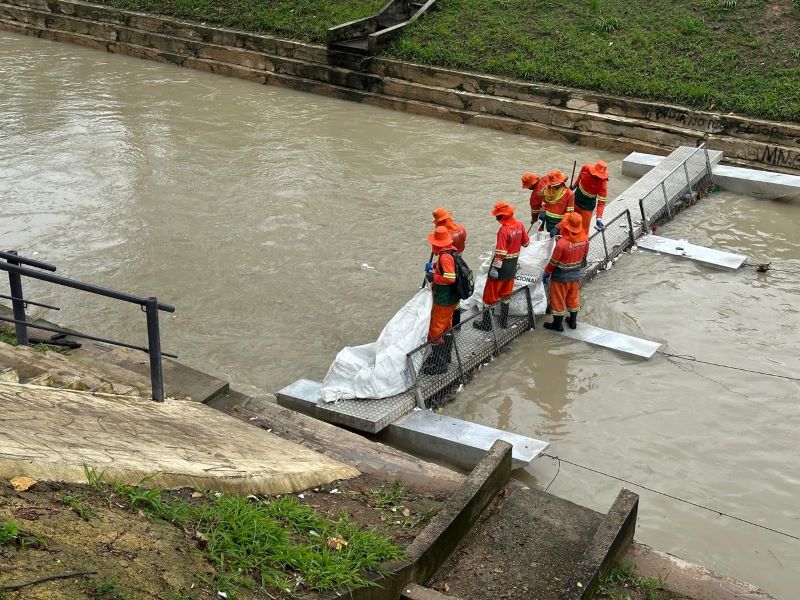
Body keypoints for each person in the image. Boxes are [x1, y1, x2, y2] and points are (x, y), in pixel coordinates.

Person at [473, 201, 530, 331]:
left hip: (501, 268)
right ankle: (503, 322)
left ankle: (487, 325)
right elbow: (526, 243)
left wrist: (494, 268)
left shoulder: (504, 230)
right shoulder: (520, 225)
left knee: (489, 297)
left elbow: (500, 253)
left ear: (503, 216)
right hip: (512, 268)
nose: (496, 219)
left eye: (498, 216)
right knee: (506, 295)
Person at [542, 212, 589, 332]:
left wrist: (546, 272)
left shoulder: (561, 244)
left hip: (560, 277)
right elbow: (584, 256)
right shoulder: (584, 239)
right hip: (575, 276)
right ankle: (572, 322)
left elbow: (553, 262)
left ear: (567, 226)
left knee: (557, 300)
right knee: (573, 299)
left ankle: (557, 325)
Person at [422, 226, 459, 374]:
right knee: (446, 328)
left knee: (435, 331)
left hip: (444, 300)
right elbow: (446, 268)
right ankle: (445, 357)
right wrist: (434, 266)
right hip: (451, 299)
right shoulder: (450, 253)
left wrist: (433, 277)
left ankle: (440, 365)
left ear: (437, 244)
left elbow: (450, 277)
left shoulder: (444, 256)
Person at [531, 170, 574, 234]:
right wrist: (542, 211)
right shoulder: (548, 190)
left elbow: (569, 213)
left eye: (555, 184)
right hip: (548, 221)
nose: (553, 186)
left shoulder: (569, 194)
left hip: (560, 222)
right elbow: (544, 202)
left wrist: (558, 226)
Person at [572, 160, 609, 233]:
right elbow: (580, 176)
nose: (597, 177)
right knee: (571, 222)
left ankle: (583, 243)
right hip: (576, 199)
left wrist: (598, 218)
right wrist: (574, 185)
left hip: (587, 206)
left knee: (583, 229)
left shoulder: (603, 185)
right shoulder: (586, 168)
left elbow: (601, 203)